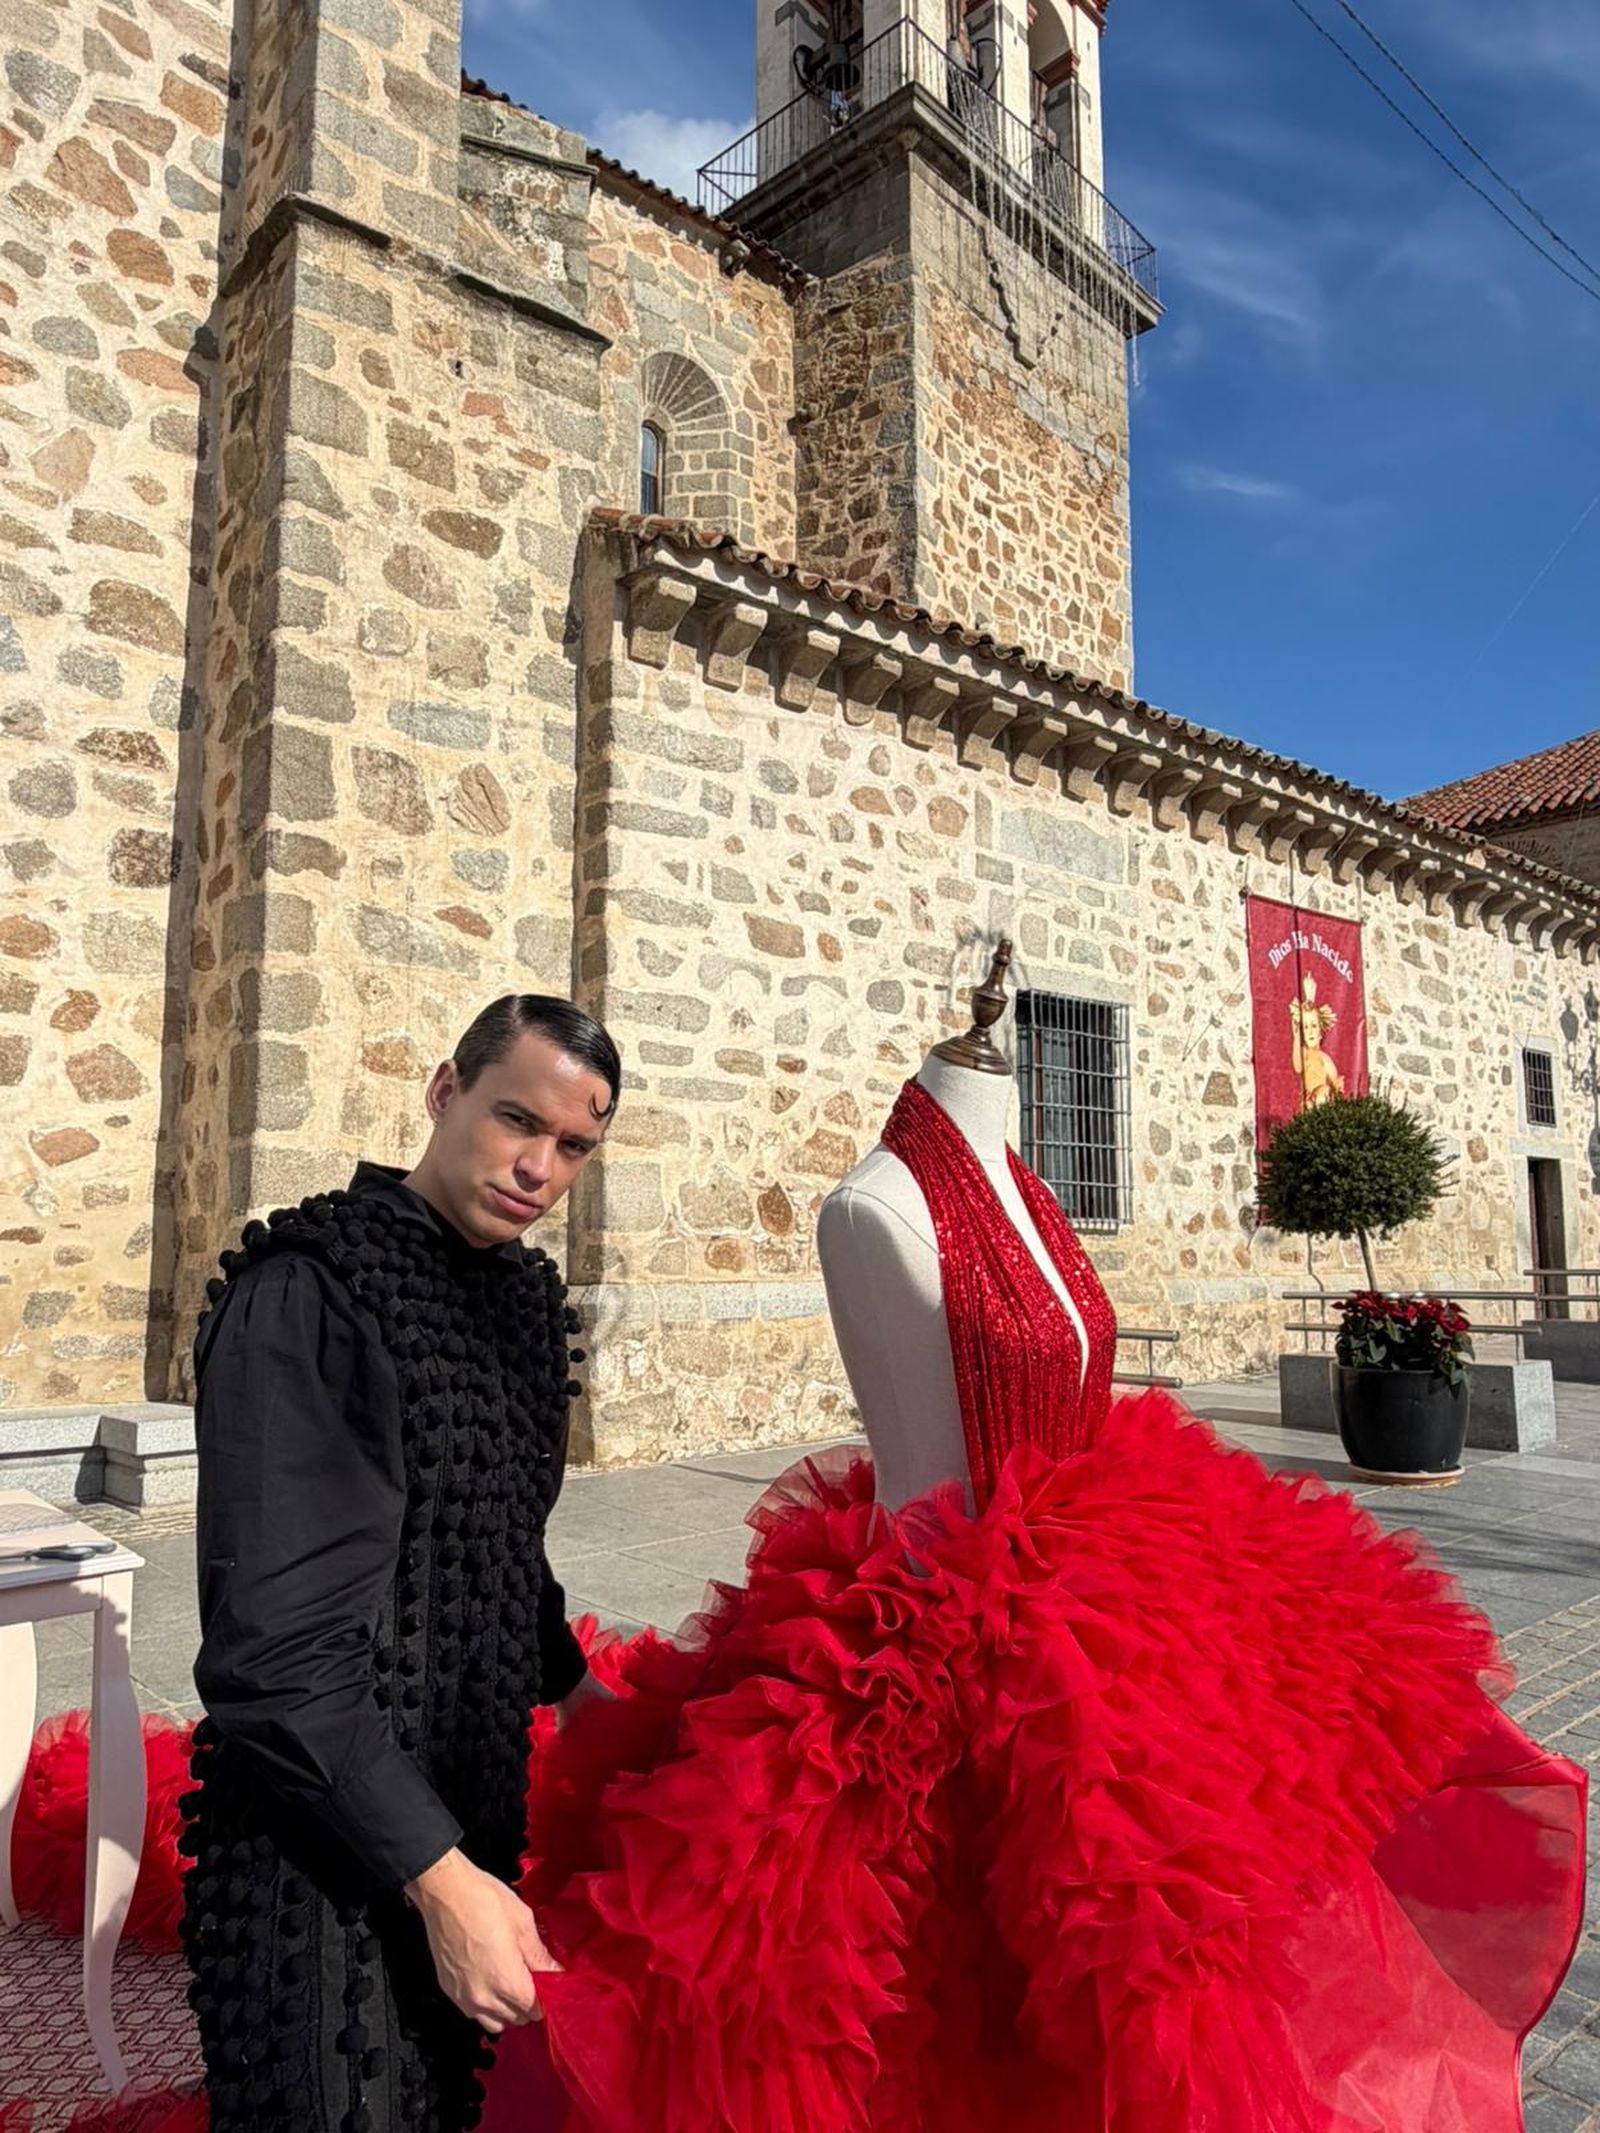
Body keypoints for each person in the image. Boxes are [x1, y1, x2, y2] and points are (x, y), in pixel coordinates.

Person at [486, 943, 1587, 2133]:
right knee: (917, 1986)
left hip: (1098, 1592)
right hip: (933, 1622)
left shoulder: (1024, 1182)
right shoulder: (872, 1203)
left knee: (1177, 1931)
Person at [182, 995, 620, 2133]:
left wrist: (588, 1698)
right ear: (444, 1093)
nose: (537, 1167)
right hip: (316, 1850)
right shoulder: (306, 1291)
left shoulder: (523, 1295)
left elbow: (493, 1545)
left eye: (573, 1145)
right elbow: (271, 1653)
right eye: (514, 1118)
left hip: (465, 1815)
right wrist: (440, 1880)